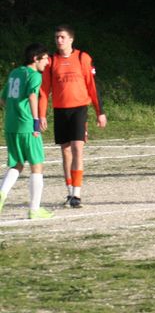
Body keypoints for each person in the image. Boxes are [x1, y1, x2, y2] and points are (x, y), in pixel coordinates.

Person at [38, 25, 106, 208]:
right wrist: (41, 115)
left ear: (71, 39)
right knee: (65, 151)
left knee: (77, 148)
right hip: (60, 110)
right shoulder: (51, 61)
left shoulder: (83, 57)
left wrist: (100, 112)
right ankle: (69, 192)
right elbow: (44, 91)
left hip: (79, 109)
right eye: (56, 37)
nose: (59, 40)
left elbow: (92, 86)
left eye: (62, 37)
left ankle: (77, 193)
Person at [1, 44, 54, 219]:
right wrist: (35, 121)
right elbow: (32, 96)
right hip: (27, 126)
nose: (48, 62)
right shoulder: (34, 75)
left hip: (11, 125)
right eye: (45, 58)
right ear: (35, 59)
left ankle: (1, 194)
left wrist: (14, 112)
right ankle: (34, 209)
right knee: (37, 165)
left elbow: (3, 98)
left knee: (17, 164)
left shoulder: (15, 72)